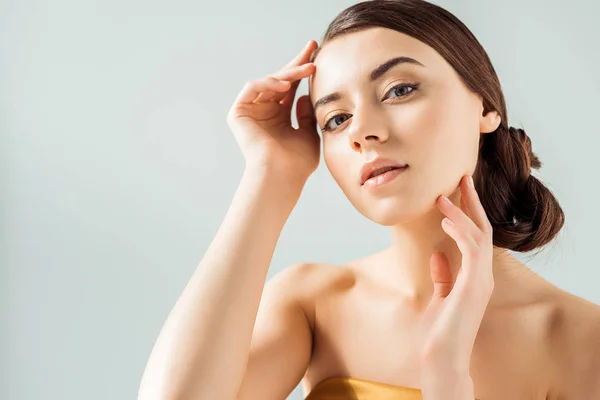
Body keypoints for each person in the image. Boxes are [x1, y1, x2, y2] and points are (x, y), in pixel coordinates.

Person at [137, 0, 600, 399]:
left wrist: (448, 376)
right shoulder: (313, 303)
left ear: (484, 107)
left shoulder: (582, 340)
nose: (362, 132)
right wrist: (270, 174)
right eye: (336, 120)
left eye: (399, 90)